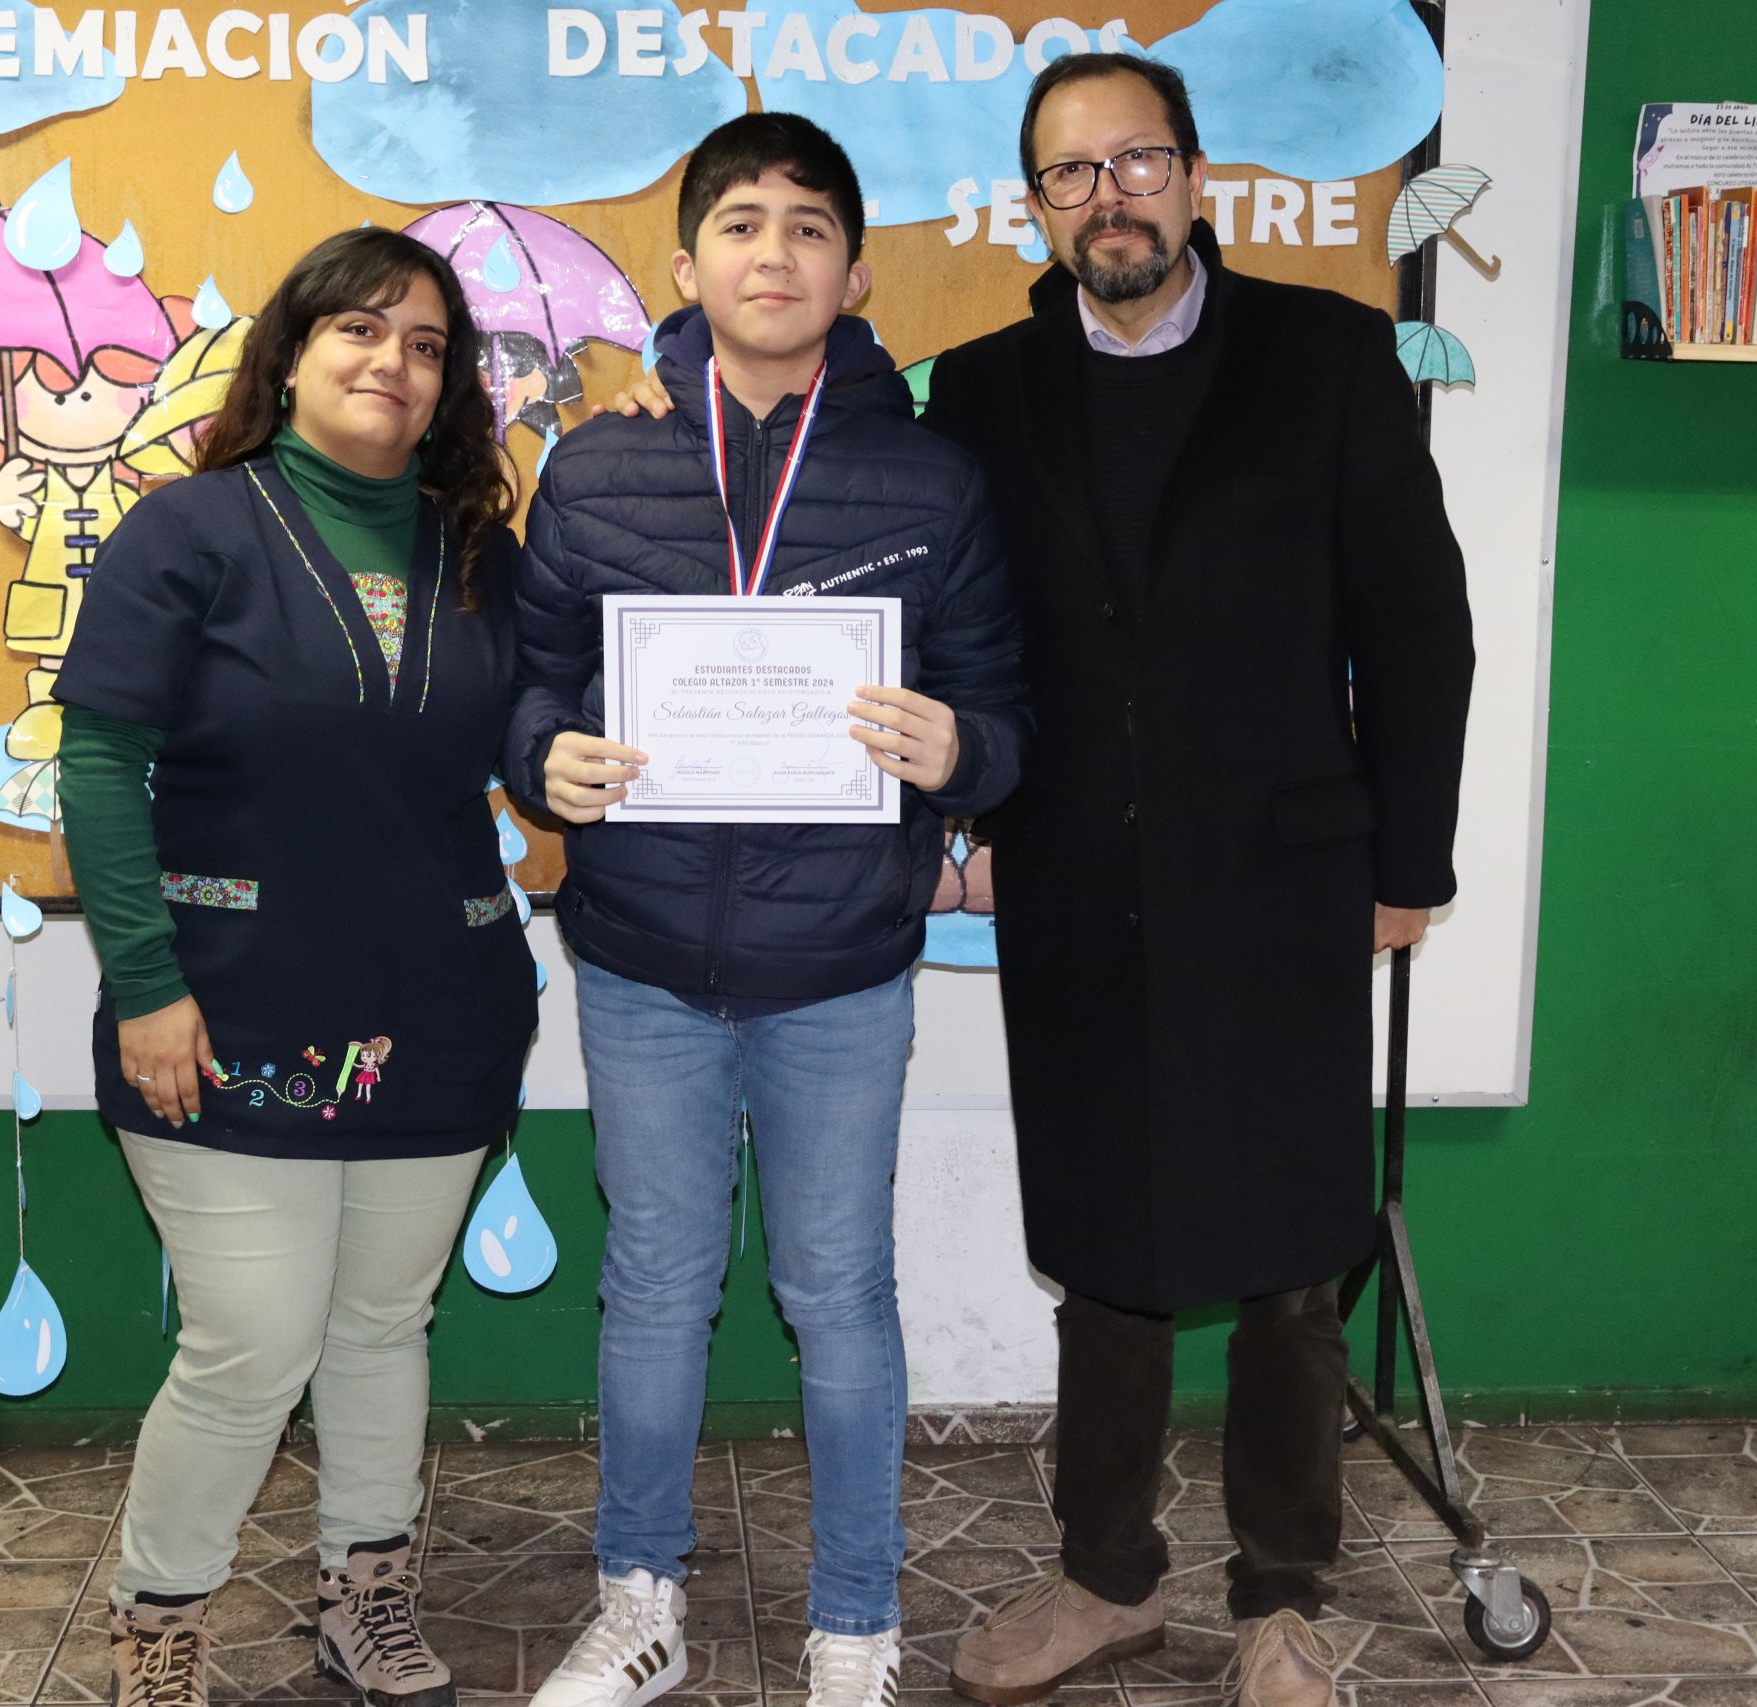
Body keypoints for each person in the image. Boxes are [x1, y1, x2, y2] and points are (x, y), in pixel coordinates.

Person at [604, 50, 1473, 1707]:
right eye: (1073, 174)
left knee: (1295, 1251)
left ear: (1195, 179)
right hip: (1074, 882)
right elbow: (830, 441)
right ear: (1038, 206)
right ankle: (1105, 1578)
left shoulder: (1328, 355)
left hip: (1286, 880)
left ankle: (1281, 1598)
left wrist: (1409, 861)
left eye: (1137, 162)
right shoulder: (987, 392)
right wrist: (659, 375)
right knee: (1103, 1237)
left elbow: (1420, 625)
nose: (1109, 198)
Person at [503, 111, 1029, 1707]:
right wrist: (545, 761)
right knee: (655, 1289)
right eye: (742, 224)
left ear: (856, 274)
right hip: (643, 959)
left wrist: (960, 753)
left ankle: (856, 1626)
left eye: (810, 228)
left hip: (843, 969)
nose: (775, 253)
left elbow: (1004, 712)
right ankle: (639, 1601)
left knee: (839, 1296)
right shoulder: (595, 465)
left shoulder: (932, 477)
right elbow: (532, 684)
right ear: (688, 265)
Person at [53, 227, 538, 1707]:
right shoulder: (187, 532)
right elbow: (98, 766)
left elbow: (536, 737)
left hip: (440, 1008)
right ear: (292, 353)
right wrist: (146, 985)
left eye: (426, 344)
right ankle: (161, 1625)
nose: (394, 362)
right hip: (222, 1009)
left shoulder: (482, 556)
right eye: (361, 330)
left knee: (383, 1324)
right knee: (253, 1343)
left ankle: (362, 1598)